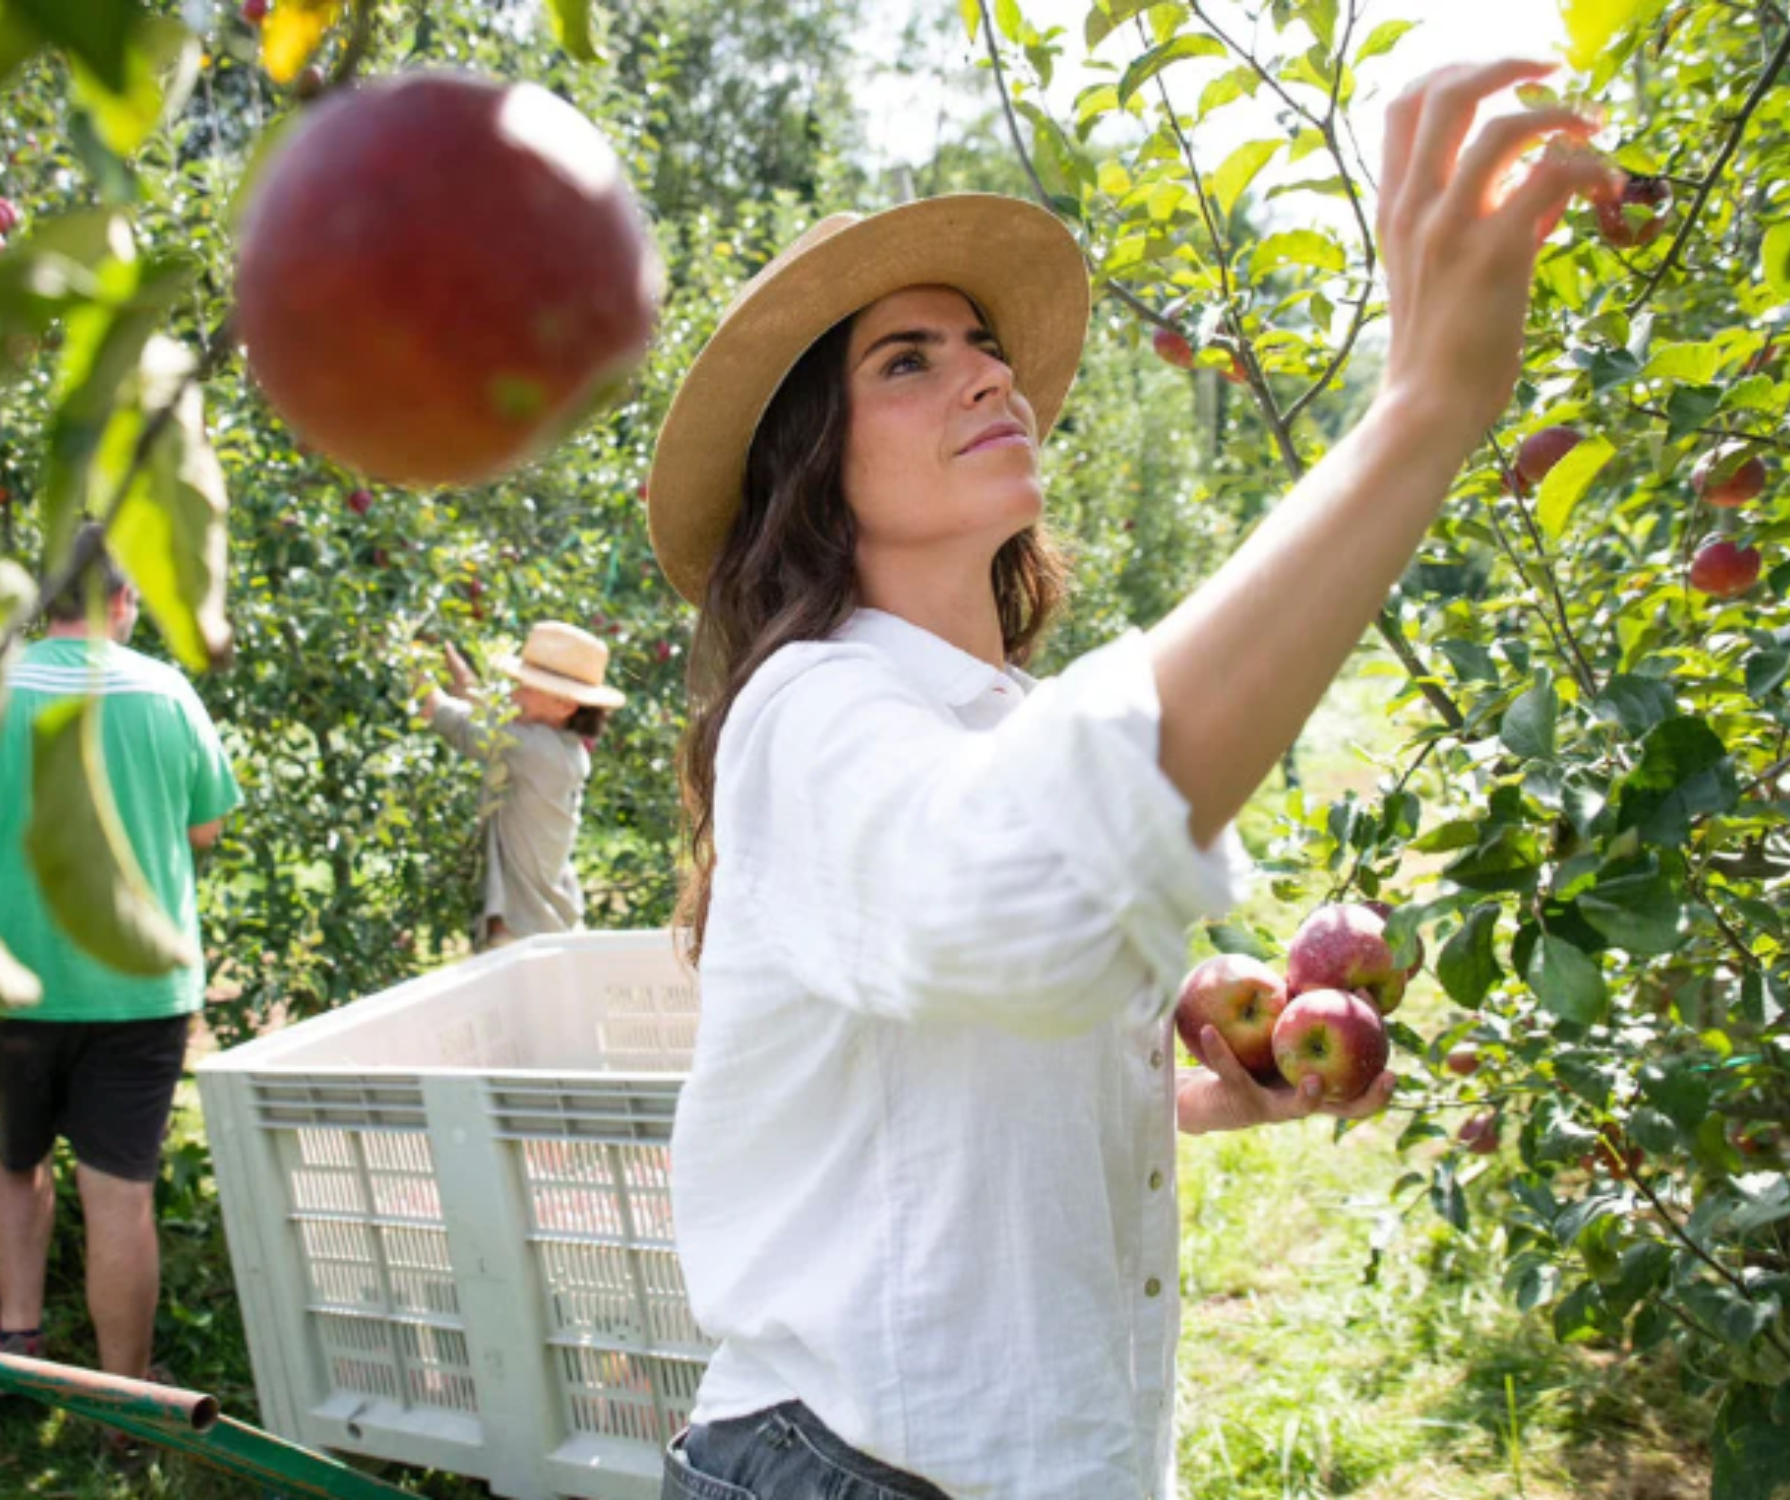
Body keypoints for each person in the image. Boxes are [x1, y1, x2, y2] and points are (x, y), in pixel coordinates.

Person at [644, 62, 1613, 1500]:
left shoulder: (990, 724)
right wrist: (1419, 412)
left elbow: (952, 1112)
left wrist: (1202, 1097)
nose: (988, 370)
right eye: (905, 360)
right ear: (811, 464)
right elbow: (1009, 893)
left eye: (982, 343)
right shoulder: (806, 711)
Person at [0, 523, 240, 1388]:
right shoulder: (167, 696)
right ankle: (125, 1396)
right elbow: (205, 827)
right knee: (119, 1192)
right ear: (125, 601)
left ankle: (18, 1347)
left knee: (16, 1156)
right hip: (137, 989)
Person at [418, 620, 625, 947]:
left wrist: (412, 667)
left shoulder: (533, 751)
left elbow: (458, 723)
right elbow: (486, 713)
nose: (514, 692)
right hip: (546, 923)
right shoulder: (559, 747)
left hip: (522, 932)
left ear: (564, 705)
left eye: (527, 687)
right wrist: (450, 659)